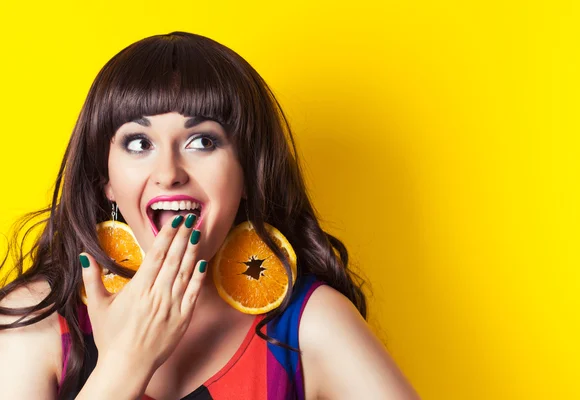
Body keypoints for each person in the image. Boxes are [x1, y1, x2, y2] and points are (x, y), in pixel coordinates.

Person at [0, 31, 420, 399]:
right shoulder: (33, 321)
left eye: (202, 142)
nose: (168, 173)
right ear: (105, 178)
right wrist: (123, 367)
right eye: (138, 143)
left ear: (246, 173)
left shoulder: (308, 324)